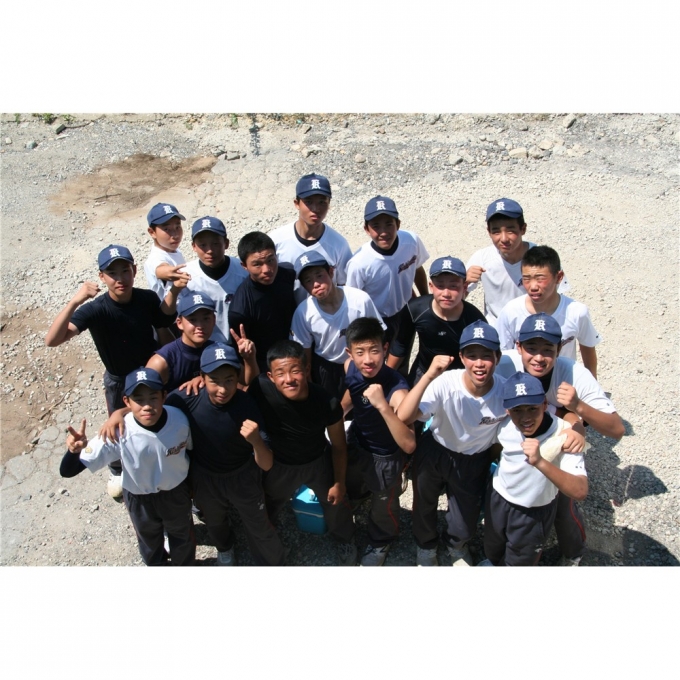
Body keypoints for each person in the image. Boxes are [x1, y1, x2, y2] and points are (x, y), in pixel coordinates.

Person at [98, 344, 286, 567]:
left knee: (258, 523)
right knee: (214, 521)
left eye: (229, 380)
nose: (223, 389)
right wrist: (120, 413)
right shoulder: (187, 397)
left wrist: (255, 441)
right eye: (214, 380)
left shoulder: (247, 404)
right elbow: (150, 404)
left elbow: (266, 464)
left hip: (243, 476)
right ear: (202, 378)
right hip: (205, 478)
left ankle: (273, 563)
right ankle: (225, 548)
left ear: (237, 377)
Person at [45, 244, 183, 500]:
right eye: (112, 273)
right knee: (117, 428)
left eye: (125, 270)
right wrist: (75, 301)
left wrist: (174, 289)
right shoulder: (96, 309)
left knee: (157, 418)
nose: (120, 278)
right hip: (119, 381)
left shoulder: (146, 298)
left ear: (134, 270)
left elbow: (164, 320)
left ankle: (163, 457)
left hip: (150, 375)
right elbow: (52, 340)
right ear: (102, 276)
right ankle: (117, 469)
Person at [495, 312, 624, 565]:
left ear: (560, 348)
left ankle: (574, 553)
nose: (538, 357)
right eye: (531, 348)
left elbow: (616, 429)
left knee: (563, 507)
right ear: (518, 346)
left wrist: (579, 410)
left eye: (547, 349)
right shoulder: (504, 364)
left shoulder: (573, 372)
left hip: (557, 440)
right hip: (521, 437)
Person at [396, 321, 508, 566]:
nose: (479, 363)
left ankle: (456, 545)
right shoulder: (446, 382)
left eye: (486, 356)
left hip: (474, 459)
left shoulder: (505, 393)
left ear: (497, 358)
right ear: (462, 357)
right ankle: (425, 545)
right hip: (436, 450)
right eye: (472, 355)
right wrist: (428, 376)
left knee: (465, 515)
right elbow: (404, 416)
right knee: (424, 502)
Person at [59, 367, 195, 566]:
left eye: (153, 397)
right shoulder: (118, 432)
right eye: (138, 399)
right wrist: (73, 451)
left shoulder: (180, 419)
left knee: (182, 537)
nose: (146, 406)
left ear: (164, 396)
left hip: (176, 493)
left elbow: (190, 452)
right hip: (140, 499)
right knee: (149, 541)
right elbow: (67, 471)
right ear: (127, 402)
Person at [245, 339, 357, 565]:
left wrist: (339, 482)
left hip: (318, 461)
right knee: (268, 502)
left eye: (295, 370)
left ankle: (345, 538)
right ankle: (268, 539)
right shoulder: (261, 388)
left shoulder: (327, 402)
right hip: (279, 464)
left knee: (336, 503)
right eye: (280, 373)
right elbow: (240, 390)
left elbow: (338, 445)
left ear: (307, 369)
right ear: (270, 376)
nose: (289, 379)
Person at [482, 371, 587, 566]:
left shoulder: (564, 435)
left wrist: (540, 461)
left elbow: (580, 490)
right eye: (517, 410)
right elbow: (496, 448)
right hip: (498, 497)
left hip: (534, 510)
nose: (525, 418)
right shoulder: (504, 425)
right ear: (507, 410)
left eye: (532, 409)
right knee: (493, 545)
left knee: (521, 559)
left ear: (545, 405)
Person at [342, 318, 416, 566]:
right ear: (349, 353)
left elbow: (409, 445)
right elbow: (351, 392)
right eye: (360, 352)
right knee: (354, 483)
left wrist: (383, 406)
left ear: (385, 349)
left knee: (383, 505)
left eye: (374, 350)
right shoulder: (351, 368)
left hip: (385, 457)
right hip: (358, 442)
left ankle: (381, 540)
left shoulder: (397, 388)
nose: (368, 360)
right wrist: (338, 414)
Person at [291, 253, 385, 400]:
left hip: (360, 363)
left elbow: (377, 334)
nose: (316, 284)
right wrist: (309, 384)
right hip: (326, 367)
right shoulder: (303, 313)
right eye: (308, 281)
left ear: (331, 272)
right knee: (330, 406)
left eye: (319, 276)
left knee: (362, 403)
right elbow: (304, 352)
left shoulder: (360, 299)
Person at [497, 245, 601, 377]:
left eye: (540, 279)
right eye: (526, 278)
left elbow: (588, 352)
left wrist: (591, 385)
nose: (533, 286)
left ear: (559, 277)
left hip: (563, 383)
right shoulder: (510, 311)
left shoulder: (577, 312)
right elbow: (502, 356)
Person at [465, 198, 569, 328]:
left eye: (510, 230)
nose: (504, 239)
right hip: (497, 331)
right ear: (489, 232)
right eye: (496, 231)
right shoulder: (482, 258)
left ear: (523, 229)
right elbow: (455, 299)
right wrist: (465, 283)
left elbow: (558, 298)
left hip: (534, 330)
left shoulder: (541, 258)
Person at [387, 256, 486, 386]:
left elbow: (482, 358)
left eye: (453, 286)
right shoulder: (415, 309)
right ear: (431, 286)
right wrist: (385, 378)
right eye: (440, 286)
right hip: (423, 370)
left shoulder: (475, 320)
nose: (446, 293)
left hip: (460, 376)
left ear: (464, 287)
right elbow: (400, 346)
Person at [345, 196, 429, 343]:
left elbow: (417, 268)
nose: (383, 232)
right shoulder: (358, 263)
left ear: (398, 224)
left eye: (389, 224)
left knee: (403, 351)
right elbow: (353, 301)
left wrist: (425, 300)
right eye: (376, 226)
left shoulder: (411, 240)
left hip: (406, 309)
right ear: (366, 229)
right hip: (377, 320)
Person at [269, 172, 353, 303]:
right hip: (285, 312)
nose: (315, 209)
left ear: (329, 204)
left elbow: (344, 285)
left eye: (322, 202)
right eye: (308, 202)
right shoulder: (276, 240)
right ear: (297, 203)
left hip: (325, 312)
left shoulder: (339, 244)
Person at [228, 231, 297, 372]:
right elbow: (243, 358)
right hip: (266, 367)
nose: (267, 269)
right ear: (244, 266)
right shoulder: (240, 309)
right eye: (257, 264)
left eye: (271, 260)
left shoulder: (288, 274)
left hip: (296, 353)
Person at [179, 216, 248, 344]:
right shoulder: (185, 276)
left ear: (226, 243)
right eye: (203, 245)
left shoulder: (242, 270)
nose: (210, 251)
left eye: (216, 244)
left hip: (240, 343)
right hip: (202, 346)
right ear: (194, 246)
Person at [146, 292, 216, 392]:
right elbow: (145, 397)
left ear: (214, 320)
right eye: (193, 320)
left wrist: (207, 379)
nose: (200, 326)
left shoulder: (218, 351)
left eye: (206, 319)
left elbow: (238, 382)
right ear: (179, 323)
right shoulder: (161, 361)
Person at [143, 202, 188, 300]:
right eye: (167, 229)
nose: (175, 235)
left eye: (177, 227)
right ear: (152, 232)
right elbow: (161, 270)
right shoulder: (155, 258)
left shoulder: (173, 250)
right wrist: (172, 273)